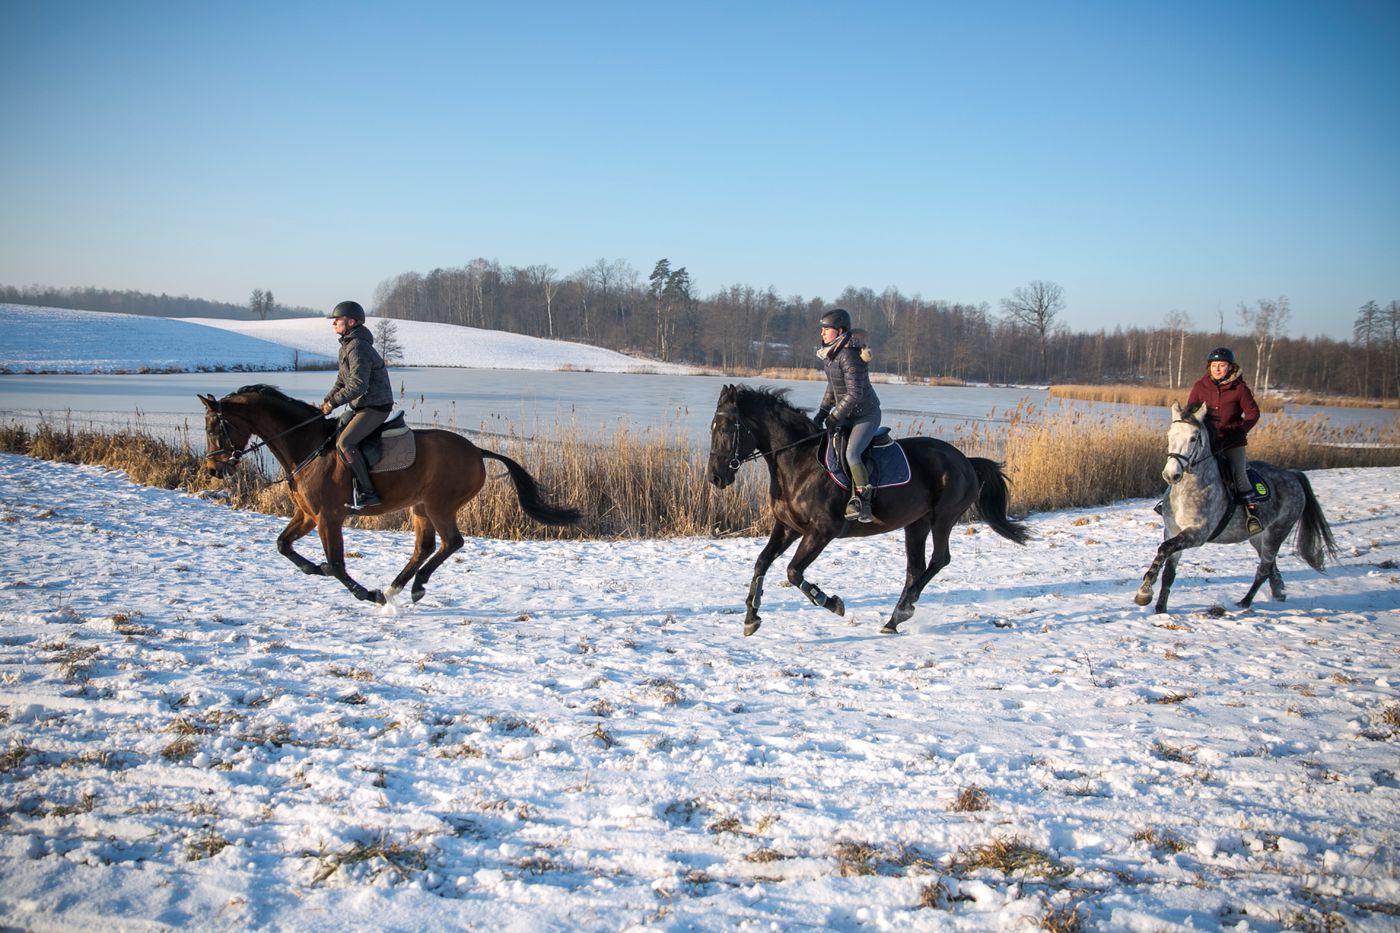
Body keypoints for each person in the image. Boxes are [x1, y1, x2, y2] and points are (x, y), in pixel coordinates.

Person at [320, 300, 393, 510]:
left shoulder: (358, 347)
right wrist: (327, 401)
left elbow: (358, 385)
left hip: (375, 406)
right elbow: (342, 381)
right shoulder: (347, 345)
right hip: (362, 406)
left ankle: (368, 492)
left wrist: (334, 402)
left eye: (337, 320)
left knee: (346, 443)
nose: (333, 323)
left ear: (351, 322)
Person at [813, 308, 881, 523]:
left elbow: (854, 393)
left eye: (827, 329)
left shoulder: (849, 355)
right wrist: (822, 412)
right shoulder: (831, 355)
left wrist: (834, 416)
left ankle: (863, 501)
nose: (822, 333)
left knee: (852, 453)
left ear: (840, 330)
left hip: (865, 415)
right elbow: (832, 388)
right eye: (822, 329)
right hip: (848, 413)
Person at [1186, 346, 1262, 535]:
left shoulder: (1240, 388)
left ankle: (1251, 515)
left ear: (1230, 367)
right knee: (1184, 465)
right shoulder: (1200, 386)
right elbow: (1190, 412)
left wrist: (1241, 430)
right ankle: (1169, 503)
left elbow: (1253, 413)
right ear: (1209, 367)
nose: (1217, 369)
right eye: (1214, 365)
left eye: (1222, 365)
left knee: (1239, 473)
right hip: (1206, 441)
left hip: (1231, 441)